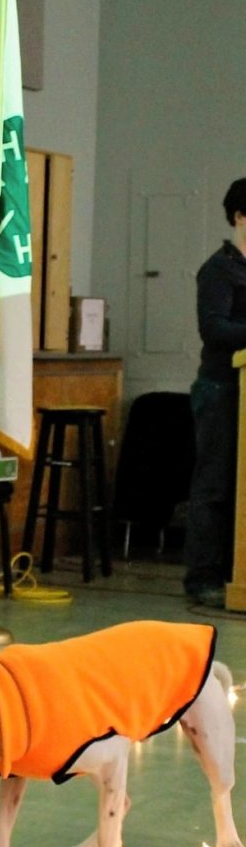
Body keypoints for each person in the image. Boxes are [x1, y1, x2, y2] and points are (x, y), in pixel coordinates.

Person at [183, 178, 246, 608]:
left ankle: (234, 572)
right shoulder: (220, 268)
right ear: (240, 217)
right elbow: (215, 328)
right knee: (215, 485)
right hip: (221, 389)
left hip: (244, 393)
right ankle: (202, 577)